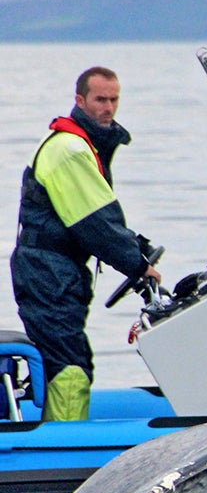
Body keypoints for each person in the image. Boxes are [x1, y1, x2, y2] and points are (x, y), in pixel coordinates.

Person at [10, 67, 161, 421]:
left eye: (114, 99)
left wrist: (136, 248)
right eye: (100, 99)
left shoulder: (82, 145)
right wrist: (138, 265)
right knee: (70, 365)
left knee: (70, 356)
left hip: (56, 270)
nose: (108, 108)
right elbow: (96, 223)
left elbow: (96, 218)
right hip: (48, 272)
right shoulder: (70, 150)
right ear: (80, 101)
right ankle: (60, 449)